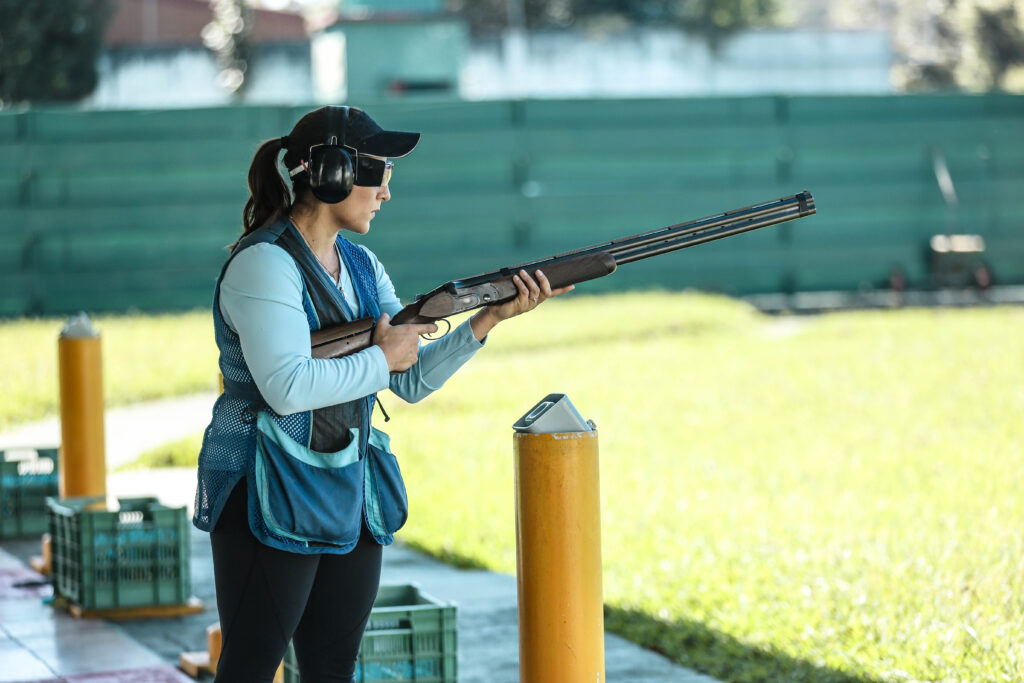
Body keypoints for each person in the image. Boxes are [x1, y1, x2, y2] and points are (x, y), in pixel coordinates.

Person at [192, 105, 571, 683]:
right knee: (248, 668)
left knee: (333, 669)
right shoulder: (264, 264)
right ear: (333, 173)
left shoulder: (362, 265)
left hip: (348, 488)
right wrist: (381, 356)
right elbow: (289, 387)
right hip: (265, 488)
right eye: (379, 173)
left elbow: (408, 378)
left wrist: (486, 320)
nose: (387, 193)